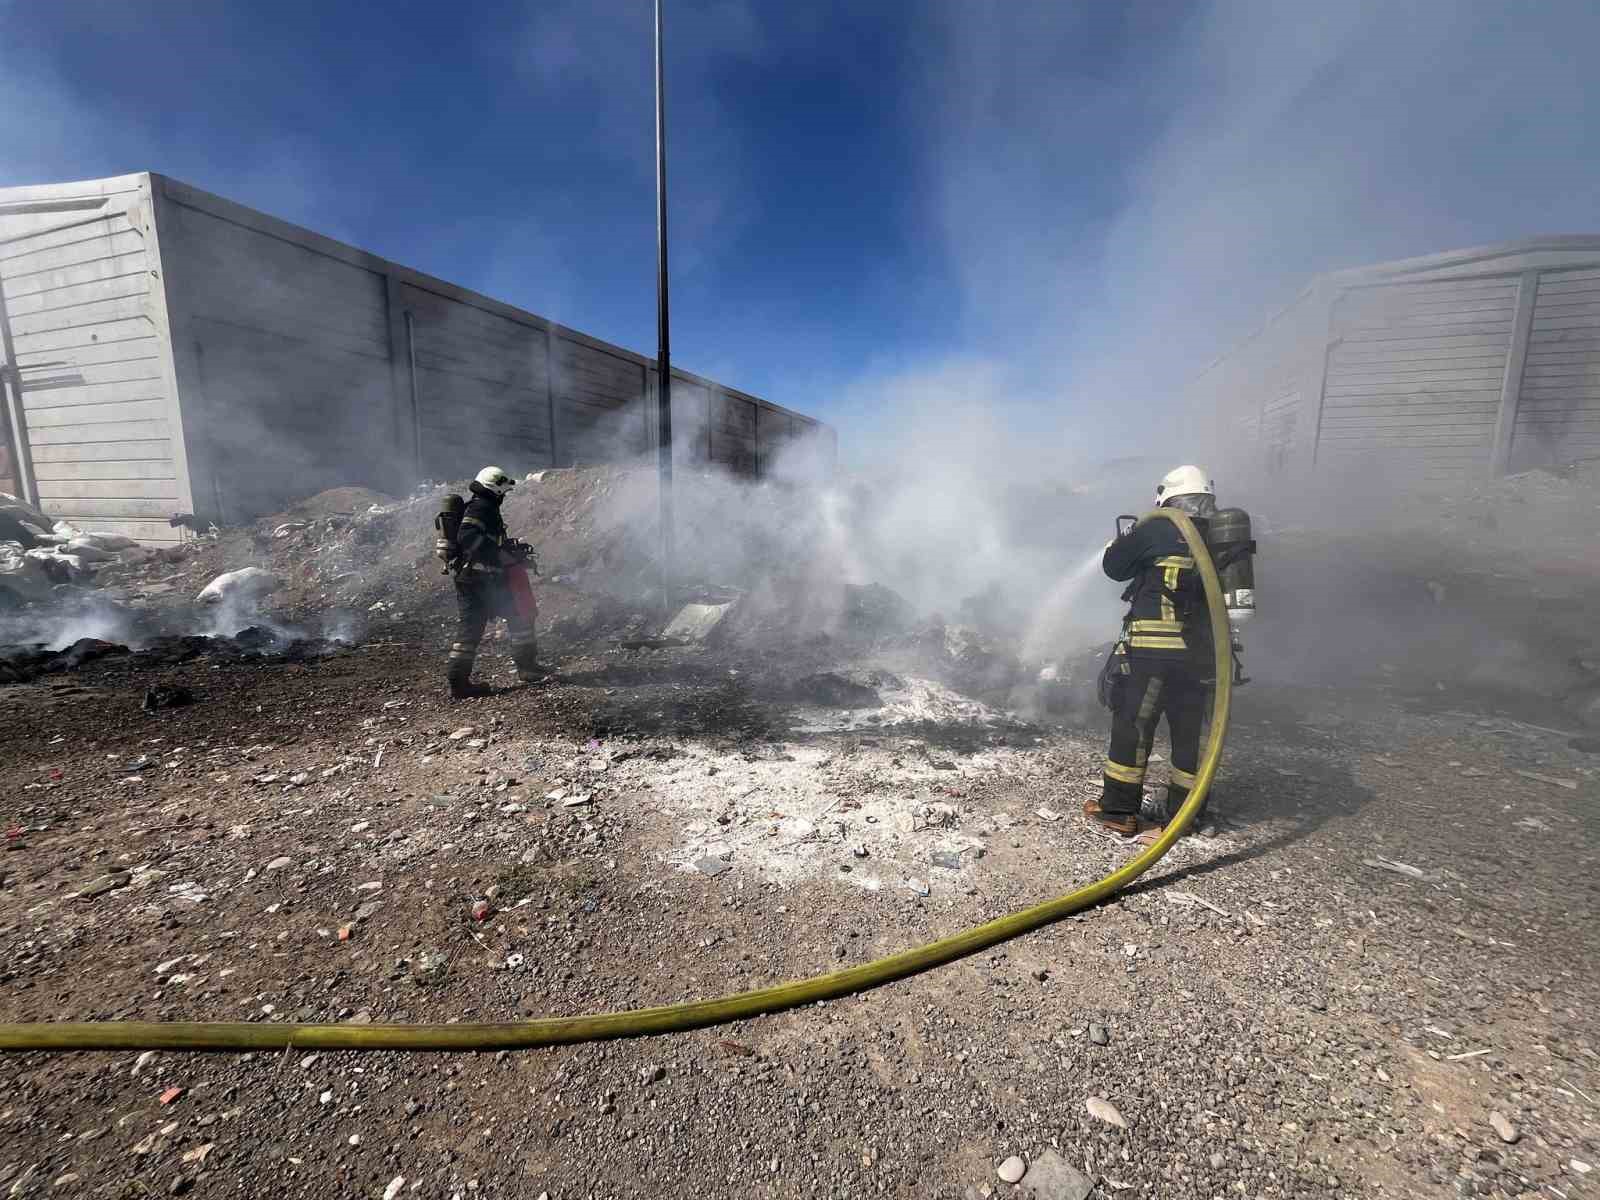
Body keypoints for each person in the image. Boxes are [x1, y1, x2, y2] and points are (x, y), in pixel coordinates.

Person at [1084, 464, 1219, 836]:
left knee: (1134, 726)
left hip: (1153, 654)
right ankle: (1186, 815)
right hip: (1205, 657)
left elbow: (1115, 567)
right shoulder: (1221, 532)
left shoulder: (1159, 526)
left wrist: (1122, 540)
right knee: (1191, 734)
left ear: (1167, 497)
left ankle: (1118, 810)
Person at [446, 466, 540, 699]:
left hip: (480, 579)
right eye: (503, 491)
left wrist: (511, 551)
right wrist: (500, 556)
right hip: (481, 580)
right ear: (494, 489)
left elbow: (488, 540)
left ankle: (461, 682)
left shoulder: (483, 506)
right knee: (516, 617)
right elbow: (467, 536)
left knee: (505, 620)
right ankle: (461, 683)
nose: (504, 495)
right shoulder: (481, 508)